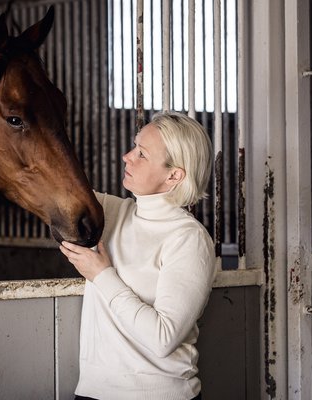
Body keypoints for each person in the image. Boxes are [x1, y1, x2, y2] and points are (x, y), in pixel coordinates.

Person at [59, 111, 216, 400]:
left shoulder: (188, 239)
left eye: (142, 154)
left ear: (174, 175)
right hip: (93, 393)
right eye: (134, 146)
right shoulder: (111, 212)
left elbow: (163, 338)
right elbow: (53, 192)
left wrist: (102, 275)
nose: (127, 156)